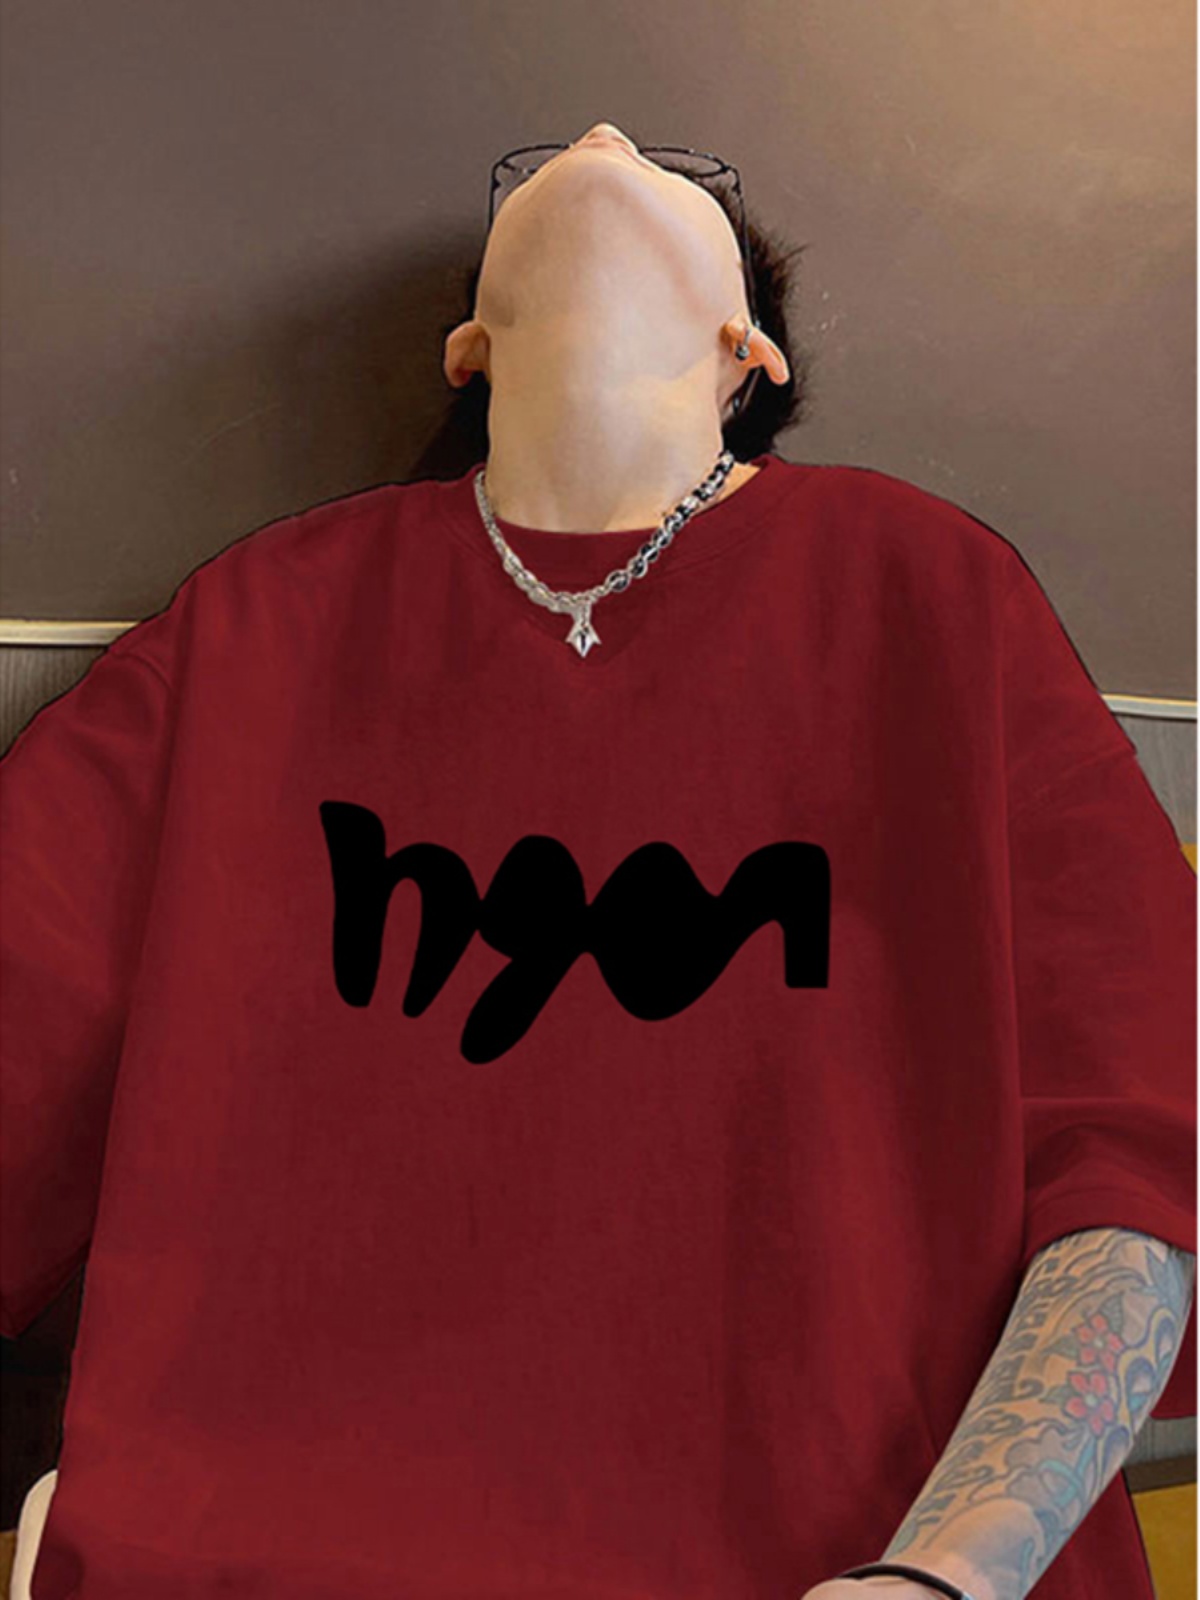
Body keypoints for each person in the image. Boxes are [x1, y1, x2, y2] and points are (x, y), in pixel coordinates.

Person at [0, 119, 1194, 1600]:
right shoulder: (251, 630)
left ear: (748, 352)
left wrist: (950, 1571)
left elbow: (1144, 1164)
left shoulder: (938, 599)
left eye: (688, 175)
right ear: (470, 350)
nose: (603, 135)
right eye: (536, 166)